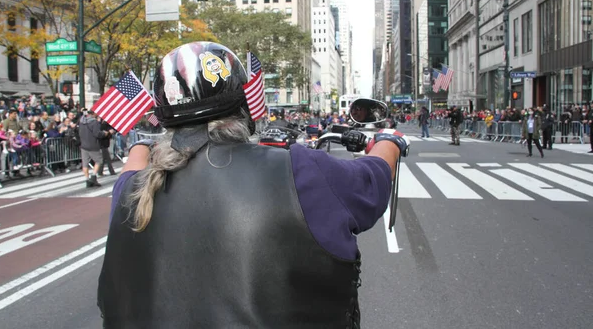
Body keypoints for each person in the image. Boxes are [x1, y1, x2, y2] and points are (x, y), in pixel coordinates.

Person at [97, 41, 409, 328]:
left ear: (166, 116)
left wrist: (142, 146)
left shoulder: (133, 191)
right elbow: (373, 179)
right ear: (242, 108)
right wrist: (388, 141)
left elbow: (132, 167)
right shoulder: (300, 171)